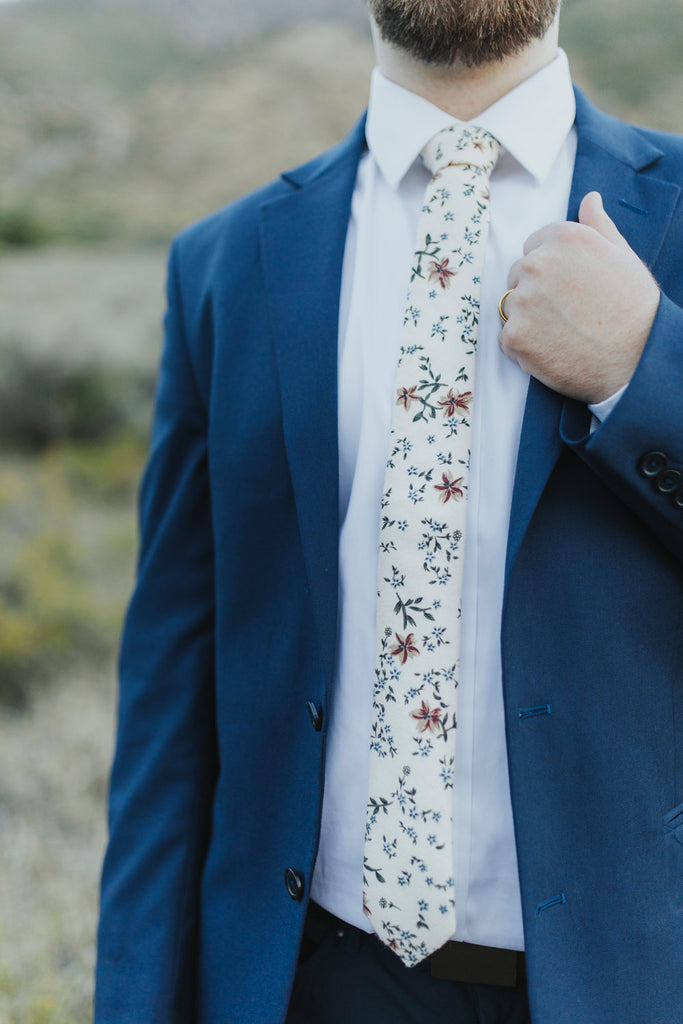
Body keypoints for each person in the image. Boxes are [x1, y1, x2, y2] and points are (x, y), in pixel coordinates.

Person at [94, 1, 683, 1022]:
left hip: (634, 973)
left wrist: (642, 368)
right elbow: (169, 701)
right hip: (315, 979)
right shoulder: (222, 265)